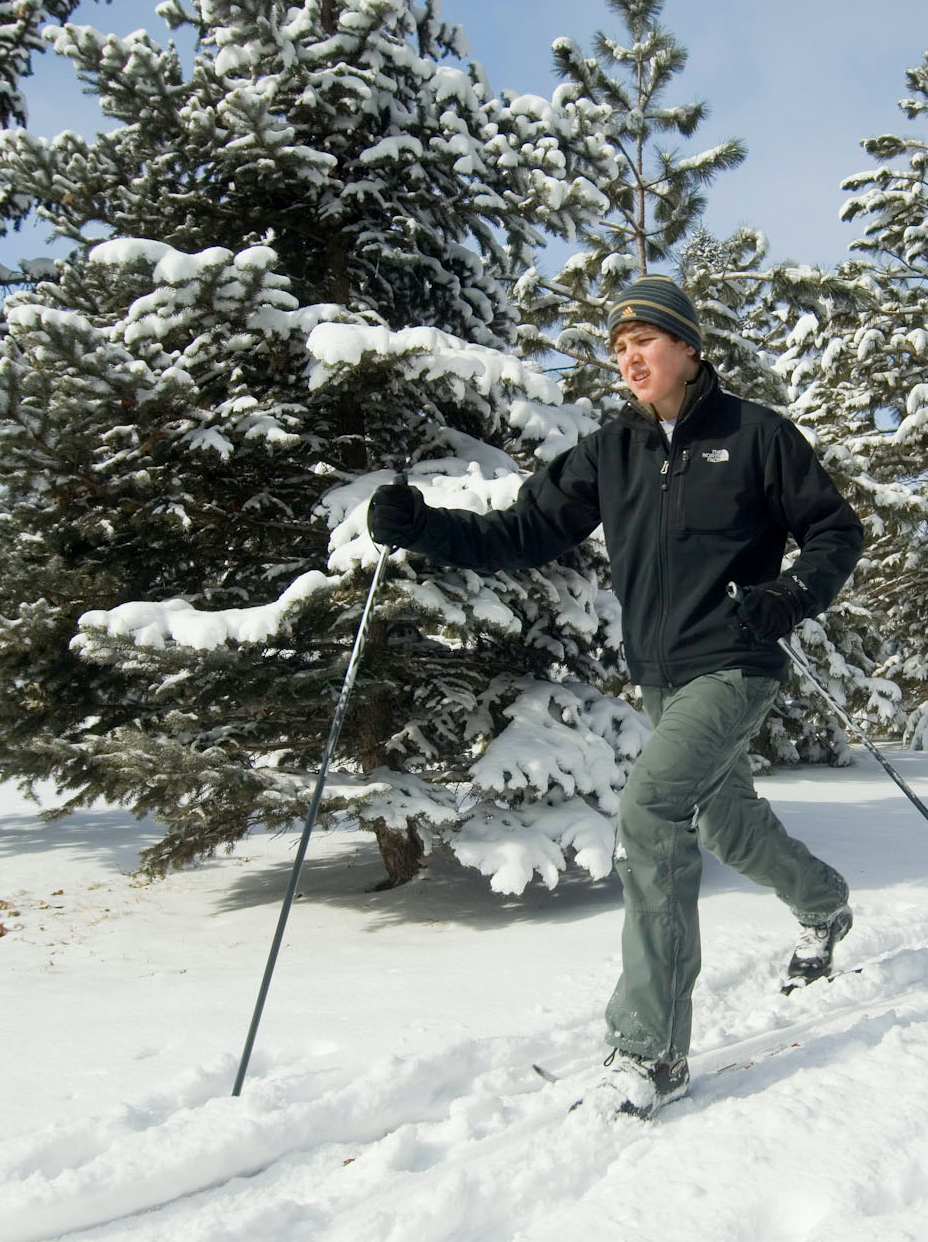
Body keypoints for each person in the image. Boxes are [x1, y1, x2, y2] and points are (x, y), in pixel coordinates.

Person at [366, 274, 863, 1119]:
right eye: (620, 348)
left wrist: (792, 592)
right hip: (663, 677)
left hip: (736, 662)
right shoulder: (612, 451)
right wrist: (422, 529)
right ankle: (824, 905)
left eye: (648, 342)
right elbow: (522, 533)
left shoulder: (755, 436)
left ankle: (650, 1050)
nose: (631, 358)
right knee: (724, 819)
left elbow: (835, 530)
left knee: (650, 815)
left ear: (689, 348)